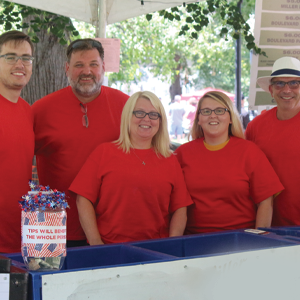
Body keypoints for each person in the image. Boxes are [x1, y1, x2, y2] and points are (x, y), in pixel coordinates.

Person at [32, 39, 129, 247]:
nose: (87, 71)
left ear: (103, 67)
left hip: (112, 227)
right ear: (67, 68)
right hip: (55, 226)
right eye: (79, 65)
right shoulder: (41, 110)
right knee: (53, 280)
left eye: (93, 64)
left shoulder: (127, 107)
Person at [69, 91, 193, 245]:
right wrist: (96, 243)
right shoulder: (104, 152)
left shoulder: (170, 160)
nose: (146, 119)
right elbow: (83, 199)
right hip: (109, 249)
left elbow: (180, 208)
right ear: (128, 116)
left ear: (160, 121)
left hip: (157, 250)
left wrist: (172, 244)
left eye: (154, 114)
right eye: (139, 113)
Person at [175, 91, 283, 234]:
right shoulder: (182, 154)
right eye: (206, 111)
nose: (213, 115)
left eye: (220, 110)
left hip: (241, 240)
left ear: (231, 118)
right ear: (198, 119)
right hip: (194, 241)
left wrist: (259, 240)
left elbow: (265, 201)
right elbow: (175, 204)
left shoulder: (249, 151)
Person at [246, 56, 300, 226]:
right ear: (271, 90)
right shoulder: (256, 126)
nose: (287, 90)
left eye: (294, 83)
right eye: (280, 84)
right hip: (267, 222)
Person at [0, 31, 35, 252]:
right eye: (11, 57)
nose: (20, 63)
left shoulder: (27, 111)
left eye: (26, 58)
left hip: (18, 239)